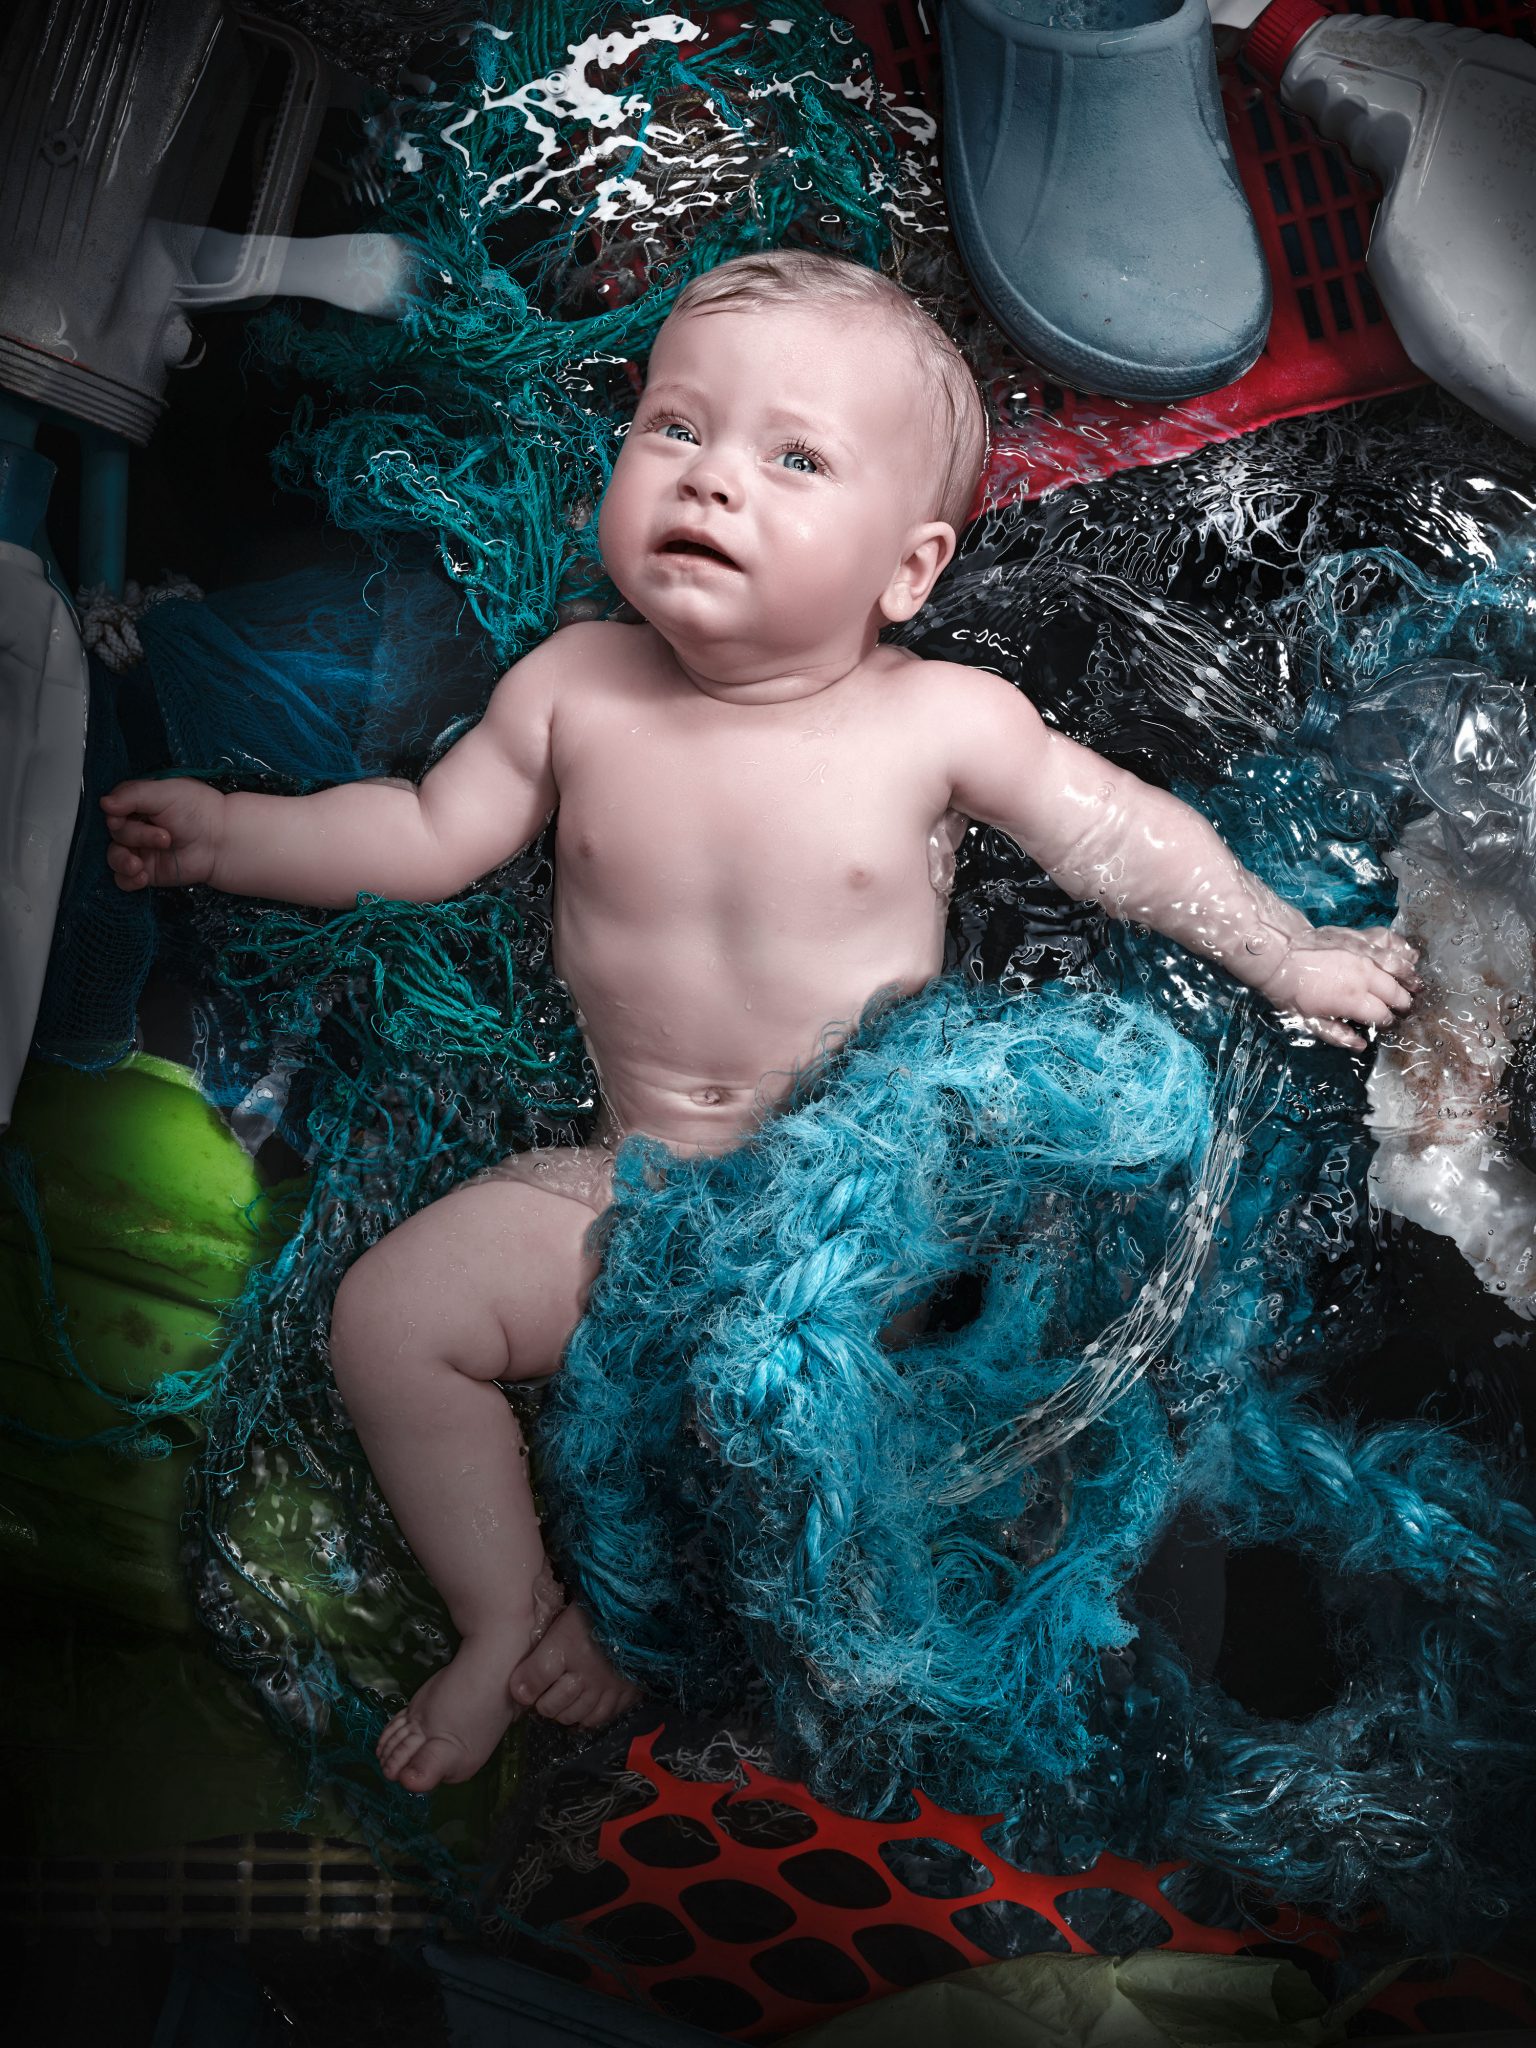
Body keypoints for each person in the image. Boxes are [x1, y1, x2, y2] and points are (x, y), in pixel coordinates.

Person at [102, 250, 1420, 1793]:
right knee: (390, 1320)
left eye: (794, 459)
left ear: (908, 573)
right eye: (676, 427)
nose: (712, 478)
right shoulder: (576, 689)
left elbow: (1123, 841)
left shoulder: (937, 721)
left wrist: (1287, 954)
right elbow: (420, 835)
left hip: (857, 1225)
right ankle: (502, 1612)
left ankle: (652, 1621)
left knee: (784, 1405)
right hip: (628, 1180)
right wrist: (232, 837)